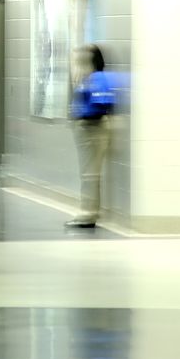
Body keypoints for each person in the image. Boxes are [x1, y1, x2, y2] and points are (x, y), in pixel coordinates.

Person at [66, 44, 114, 228]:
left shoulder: (97, 78)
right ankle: (89, 211)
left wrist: (84, 119)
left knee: (90, 174)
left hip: (92, 129)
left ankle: (88, 213)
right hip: (87, 129)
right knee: (88, 173)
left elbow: (102, 104)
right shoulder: (88, 78)